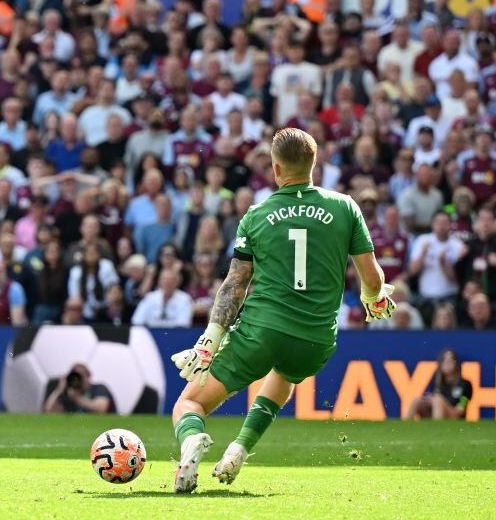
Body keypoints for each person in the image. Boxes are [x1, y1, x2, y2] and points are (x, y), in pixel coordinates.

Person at [168, 128, 395, 494]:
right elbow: (371, 278)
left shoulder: (257, 216)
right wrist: (375, 299)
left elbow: (235, 284)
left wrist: (209, 340)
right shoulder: (344, 206)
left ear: (275, 169)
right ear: (313, 163)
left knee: (191, 402)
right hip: (316, 341)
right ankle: (239, 449)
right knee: (286, 373)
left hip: (262, 332)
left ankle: (193, 440)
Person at [405, 349, 472, 420]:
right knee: (417, 401)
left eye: (450, 360)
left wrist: (440, 402)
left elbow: (460, 409)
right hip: (435, 412)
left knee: (438, 400)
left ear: (456, 363)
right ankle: (405, 426)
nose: (447, 363)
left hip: (454, 416)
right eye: (444, 360)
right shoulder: (437, 383)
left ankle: (438, 427)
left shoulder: (465, 385)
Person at [43, 363, 114, 414]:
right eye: (77, 376)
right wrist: (59, 389)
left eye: (83, 376)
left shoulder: (99, 388)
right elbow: (49, 411)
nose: (81, 380)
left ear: (89, 376)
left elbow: (101, 410)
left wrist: (77, 398)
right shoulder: (69, 392)